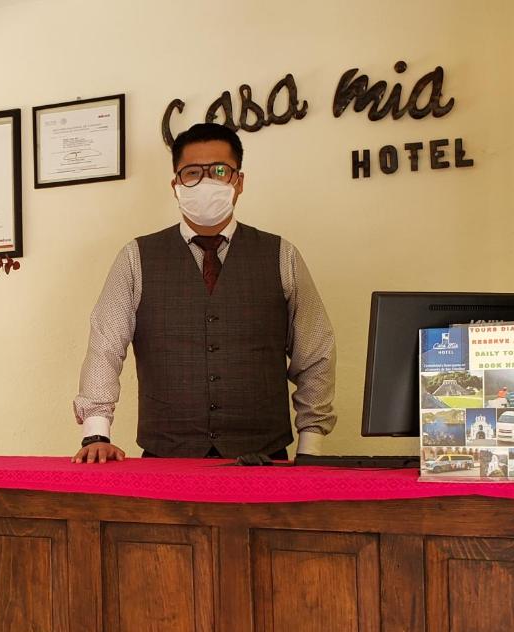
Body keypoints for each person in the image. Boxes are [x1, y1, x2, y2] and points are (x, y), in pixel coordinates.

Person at [72, 122, 336, 463]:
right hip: (166, 456)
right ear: (176, 185)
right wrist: (97, 432)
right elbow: (105, 344)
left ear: (239, 182)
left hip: (264, 459)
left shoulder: (281, 255)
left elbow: (316, 353)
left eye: (220, 171)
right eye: (192, 173)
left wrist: (310, 446)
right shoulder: (136, 257)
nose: (206, 182)